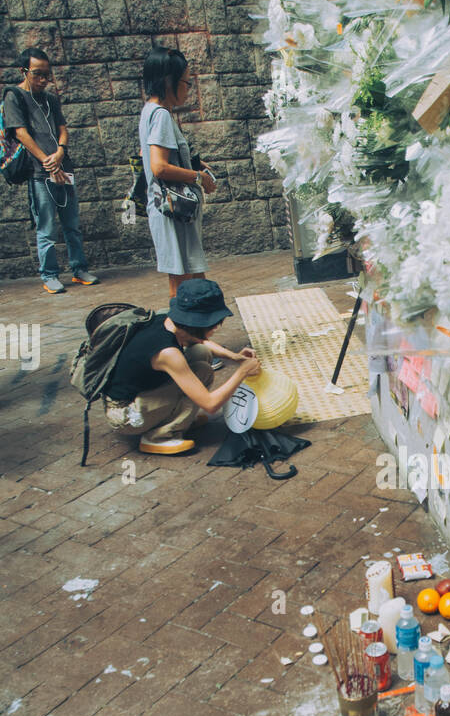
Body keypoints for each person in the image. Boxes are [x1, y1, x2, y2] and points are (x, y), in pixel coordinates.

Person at [103, 278, 261, 456]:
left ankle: (176, 416)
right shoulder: (168, 354)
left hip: (142, 392)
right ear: (199, 323)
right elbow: (210, 404)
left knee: (200, 352)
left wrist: (234, 356)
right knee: (203, 372)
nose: (216, 328)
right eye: (214, 324)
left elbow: (200, 341)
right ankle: (158, 436)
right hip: (126, 415)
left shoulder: (166, 321)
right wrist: (242, 371)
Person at [3, 47, 101, 294]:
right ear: (23, 71)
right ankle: (49, 275)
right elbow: (21, 133)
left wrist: (60, 152)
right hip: (39, 172)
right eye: (37, 74)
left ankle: (79, 270)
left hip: (62, 167)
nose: (43, 80)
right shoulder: (13, 96)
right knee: (46, 227)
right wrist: (47, 161)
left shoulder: (50, 99)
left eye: (47, 74)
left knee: (72, 224)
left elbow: (63, 129)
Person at [139, 45, 217, 305]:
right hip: (173, 211)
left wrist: (193, 162)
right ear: (168, 81)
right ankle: (186, 338)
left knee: (193, 277)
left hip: (171, 211)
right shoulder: (160, 115)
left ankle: (198, 337)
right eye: (185, 82)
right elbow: (159, 166)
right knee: (182, 283)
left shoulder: (150, 110)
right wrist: (199, 177)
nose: (188, 88)